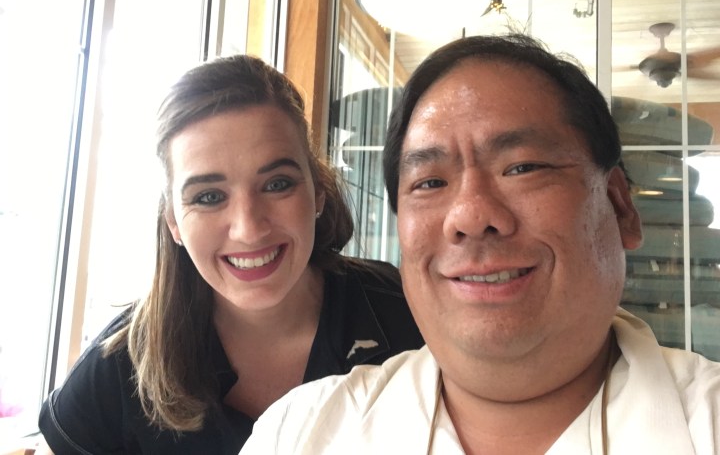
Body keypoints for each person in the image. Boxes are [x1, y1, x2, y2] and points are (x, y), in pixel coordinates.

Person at [240, 34, 720, 454]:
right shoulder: (300, 433)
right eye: (429, 182)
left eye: (523, 167)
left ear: (620, 207)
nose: (470, 217)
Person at [36, 55, 424, 454]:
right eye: (208, 197)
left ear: (318, 192)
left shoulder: (407, 312)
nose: (248, 229)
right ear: (173, 221)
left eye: (277, 184)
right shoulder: (120, 365)